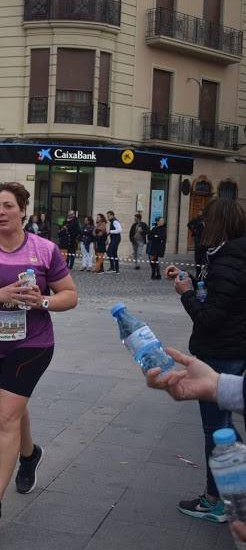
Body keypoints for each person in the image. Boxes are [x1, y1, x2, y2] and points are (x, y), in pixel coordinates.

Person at [0, 182, 78, 532]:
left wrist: (42, 301)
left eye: (8, 206)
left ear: (23, 209)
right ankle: (29, 454)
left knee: (4, 416)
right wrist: (0, 294)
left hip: (33, 345)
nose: (1, 213)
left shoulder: (44, 250)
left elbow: (70, 295)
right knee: (12, 408)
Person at [162, 198, 246, 523]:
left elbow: (209, 318)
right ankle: (220, 495)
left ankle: (217, 499)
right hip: (229, 348)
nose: (201, 224)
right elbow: (216, 294)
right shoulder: (228, 256)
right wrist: (190, 279)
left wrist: (185, 292)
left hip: (220, 353)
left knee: (216, 429)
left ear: (218, 223)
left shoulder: (228, 261)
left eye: (205, 219)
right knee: (219, 426)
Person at [146, 347, 246, 545]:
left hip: (222, 348)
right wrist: (217, 386)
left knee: (215, 428)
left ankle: (213, 501)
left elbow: (210, 317)